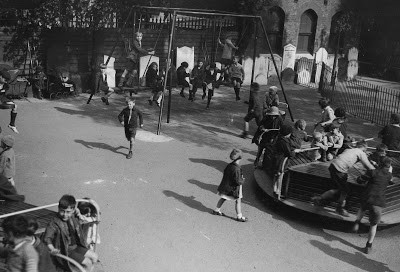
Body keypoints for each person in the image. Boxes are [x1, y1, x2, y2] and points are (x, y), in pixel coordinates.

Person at [311, 140, 375, 216]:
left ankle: (320, 199)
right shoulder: (361, 153)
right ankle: (338, 207)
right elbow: (368, 166)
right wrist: (378, 172)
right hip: (339, 169)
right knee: (345, 190)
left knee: (339, 189)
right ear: (365, 148)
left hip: (333, 166)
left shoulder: (349, 149)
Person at [43, 195, 98, 272]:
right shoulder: (54, 223)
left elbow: (77, 211)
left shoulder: (72, 216)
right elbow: (47, 238)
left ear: (72, 210)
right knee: (88, 263)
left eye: (68, 212)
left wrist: (78, 210)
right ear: (58, 208)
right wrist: (52, 249)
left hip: (75, 246)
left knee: (94, 257)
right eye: (62, 211)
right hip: (65, 250)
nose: (65, 214)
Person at [352, 157, 393, 254]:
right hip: (378, 202)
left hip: (368, 198)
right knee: (373, 225)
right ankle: (368, 246)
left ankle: (357, 222)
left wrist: (361, 177)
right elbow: (389, 178)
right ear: (389, 166)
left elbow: (360, 180)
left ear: (379, 164)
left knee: (362, 208)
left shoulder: (372, 172)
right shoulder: (389, 175)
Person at [212, 148, 247, 222]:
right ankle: (239, 216)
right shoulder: (237, 168)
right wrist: (242, 180)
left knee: (223, 197)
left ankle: (216, 210)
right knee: (238, 200)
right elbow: (238, 181)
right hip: (234, 188)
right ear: (240, 158)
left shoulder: (229, 165)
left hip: (226, 186)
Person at [0, 69, 19, 134]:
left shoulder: (5, 85)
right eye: (5, 80)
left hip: (2, 98)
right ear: (0, 77)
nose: (6, 82)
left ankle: (12, 124)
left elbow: (4, 95)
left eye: (7, 80)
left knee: (15, 106)